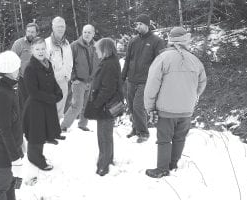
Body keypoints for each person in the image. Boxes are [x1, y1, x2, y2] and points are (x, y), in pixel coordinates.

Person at [144, 27, 207, 178]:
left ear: (170, 40)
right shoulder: (195, 60)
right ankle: (173, 164)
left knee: (164, 139)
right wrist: (192, 96)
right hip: (186, 110)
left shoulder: (163, 58)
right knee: (179, 137)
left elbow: (152, 84)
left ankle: (162, 169)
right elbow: (202, 83)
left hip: (166, 109)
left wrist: (150, 106)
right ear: (186, 40)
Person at [0, 51, 24, 200]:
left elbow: (13, 123)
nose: (19, 70)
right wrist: (15, 159)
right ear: (10, 70)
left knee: (9, 188)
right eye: (17, 67)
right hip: (3, 154)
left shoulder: (8, 89)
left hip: (11, 150)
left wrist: (21, 141)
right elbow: (4, 130)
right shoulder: (2, 94)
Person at [122, 14, 165, 143]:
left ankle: (144, 133)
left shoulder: (157, 41)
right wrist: (122, 77)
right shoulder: (133, 41)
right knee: (131, 106)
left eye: (141, 24)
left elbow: (161, 62)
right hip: (131, 80)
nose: (138, 26)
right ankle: (135, 128)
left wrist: (160, 80)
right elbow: (127, 60)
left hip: (146, 81)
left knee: (138, 106)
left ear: (147, 25)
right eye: (137, 24)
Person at [22, 37, 63, 171]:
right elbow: (33, 92)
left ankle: (48, 139)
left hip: (47, 104)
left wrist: (58, 92)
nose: (40, 51)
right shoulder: (30, 68)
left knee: (45, 129)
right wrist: (51, 98)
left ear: (46, 49)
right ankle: (35, 158)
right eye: (37, 49)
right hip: (36, 106)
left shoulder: (48, 63)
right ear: (32, 50)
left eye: (43, 48)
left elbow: (52, 81)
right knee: (36, 134)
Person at [85, 38, 123, 176]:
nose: (96, 51)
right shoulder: (110, 62)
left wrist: (96, 104)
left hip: (106, 106)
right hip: (107, 105)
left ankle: (104, 165)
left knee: (104, 136)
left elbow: (107, 89)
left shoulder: (109, 64)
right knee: (106, 135)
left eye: (97, 48)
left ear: (104, 49)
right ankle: (108, 160)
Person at [60, 24, 99, 132]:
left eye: (89, 32)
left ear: (93, 34)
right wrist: (73, 78)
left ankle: (82, 124)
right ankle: (63, 126)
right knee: (77, 105)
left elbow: (99, 63)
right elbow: (68, 63)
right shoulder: (74, 45)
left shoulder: (96, 46)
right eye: (85, 32)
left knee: (87, 105)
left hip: (91, 81)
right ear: (82, 32)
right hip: (79, 81)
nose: (86, 34)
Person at [45, 16, 73, 122]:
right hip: (50, 82)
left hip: (63, 80)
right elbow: (43, 63)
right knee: (50, 107)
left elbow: (70, 61)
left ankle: (55, 130)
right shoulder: (46, 43)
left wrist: (68, 75)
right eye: (58, 26)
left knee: (60, 108)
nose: (60, 29)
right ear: (53, 27)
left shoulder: (66, 44)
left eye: (62, 26)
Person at [11, 22, 39, 110]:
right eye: (28, 31)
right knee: (24, 105)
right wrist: (16, 76)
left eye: (33, 32)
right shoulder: (18, 43)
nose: (30, 34)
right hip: (24, 80)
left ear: (37, 33)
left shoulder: (40, 43)